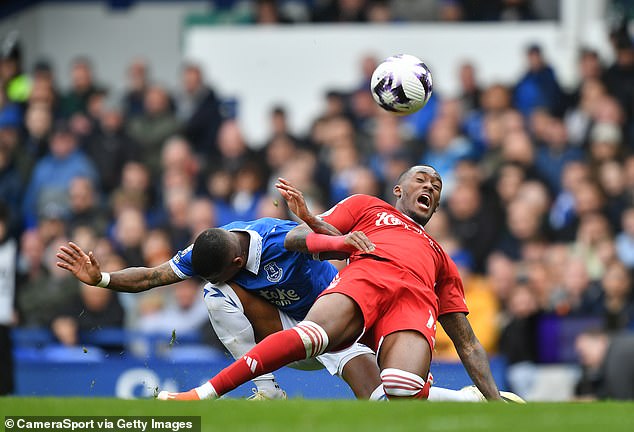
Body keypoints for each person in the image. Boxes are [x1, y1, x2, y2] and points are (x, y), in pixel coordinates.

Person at [158, 165, 520, 402]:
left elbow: (467, 342)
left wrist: (493, 402)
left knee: (397, 390)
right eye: (421, 179)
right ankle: (207, 393)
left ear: (437, 206)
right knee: (309, 334)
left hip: (413, 302)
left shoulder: (442, 259)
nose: (429, 185)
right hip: (364, 280)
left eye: (436, 186)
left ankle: (468, 398)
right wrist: (315, 222)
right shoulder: (368, 208)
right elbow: (304, 238)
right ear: (398, 189)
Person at [56, 217, 382, 400]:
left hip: (339, 332)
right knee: (215, 293)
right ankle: (268, 392)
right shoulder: (208, 250)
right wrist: (101, 279)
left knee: (386, 401)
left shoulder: (279, 240)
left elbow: (311, 238)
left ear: (238, 262)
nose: (208, 279)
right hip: (286, 338)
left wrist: (337, 237)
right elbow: (151, 277)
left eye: (221, 272)